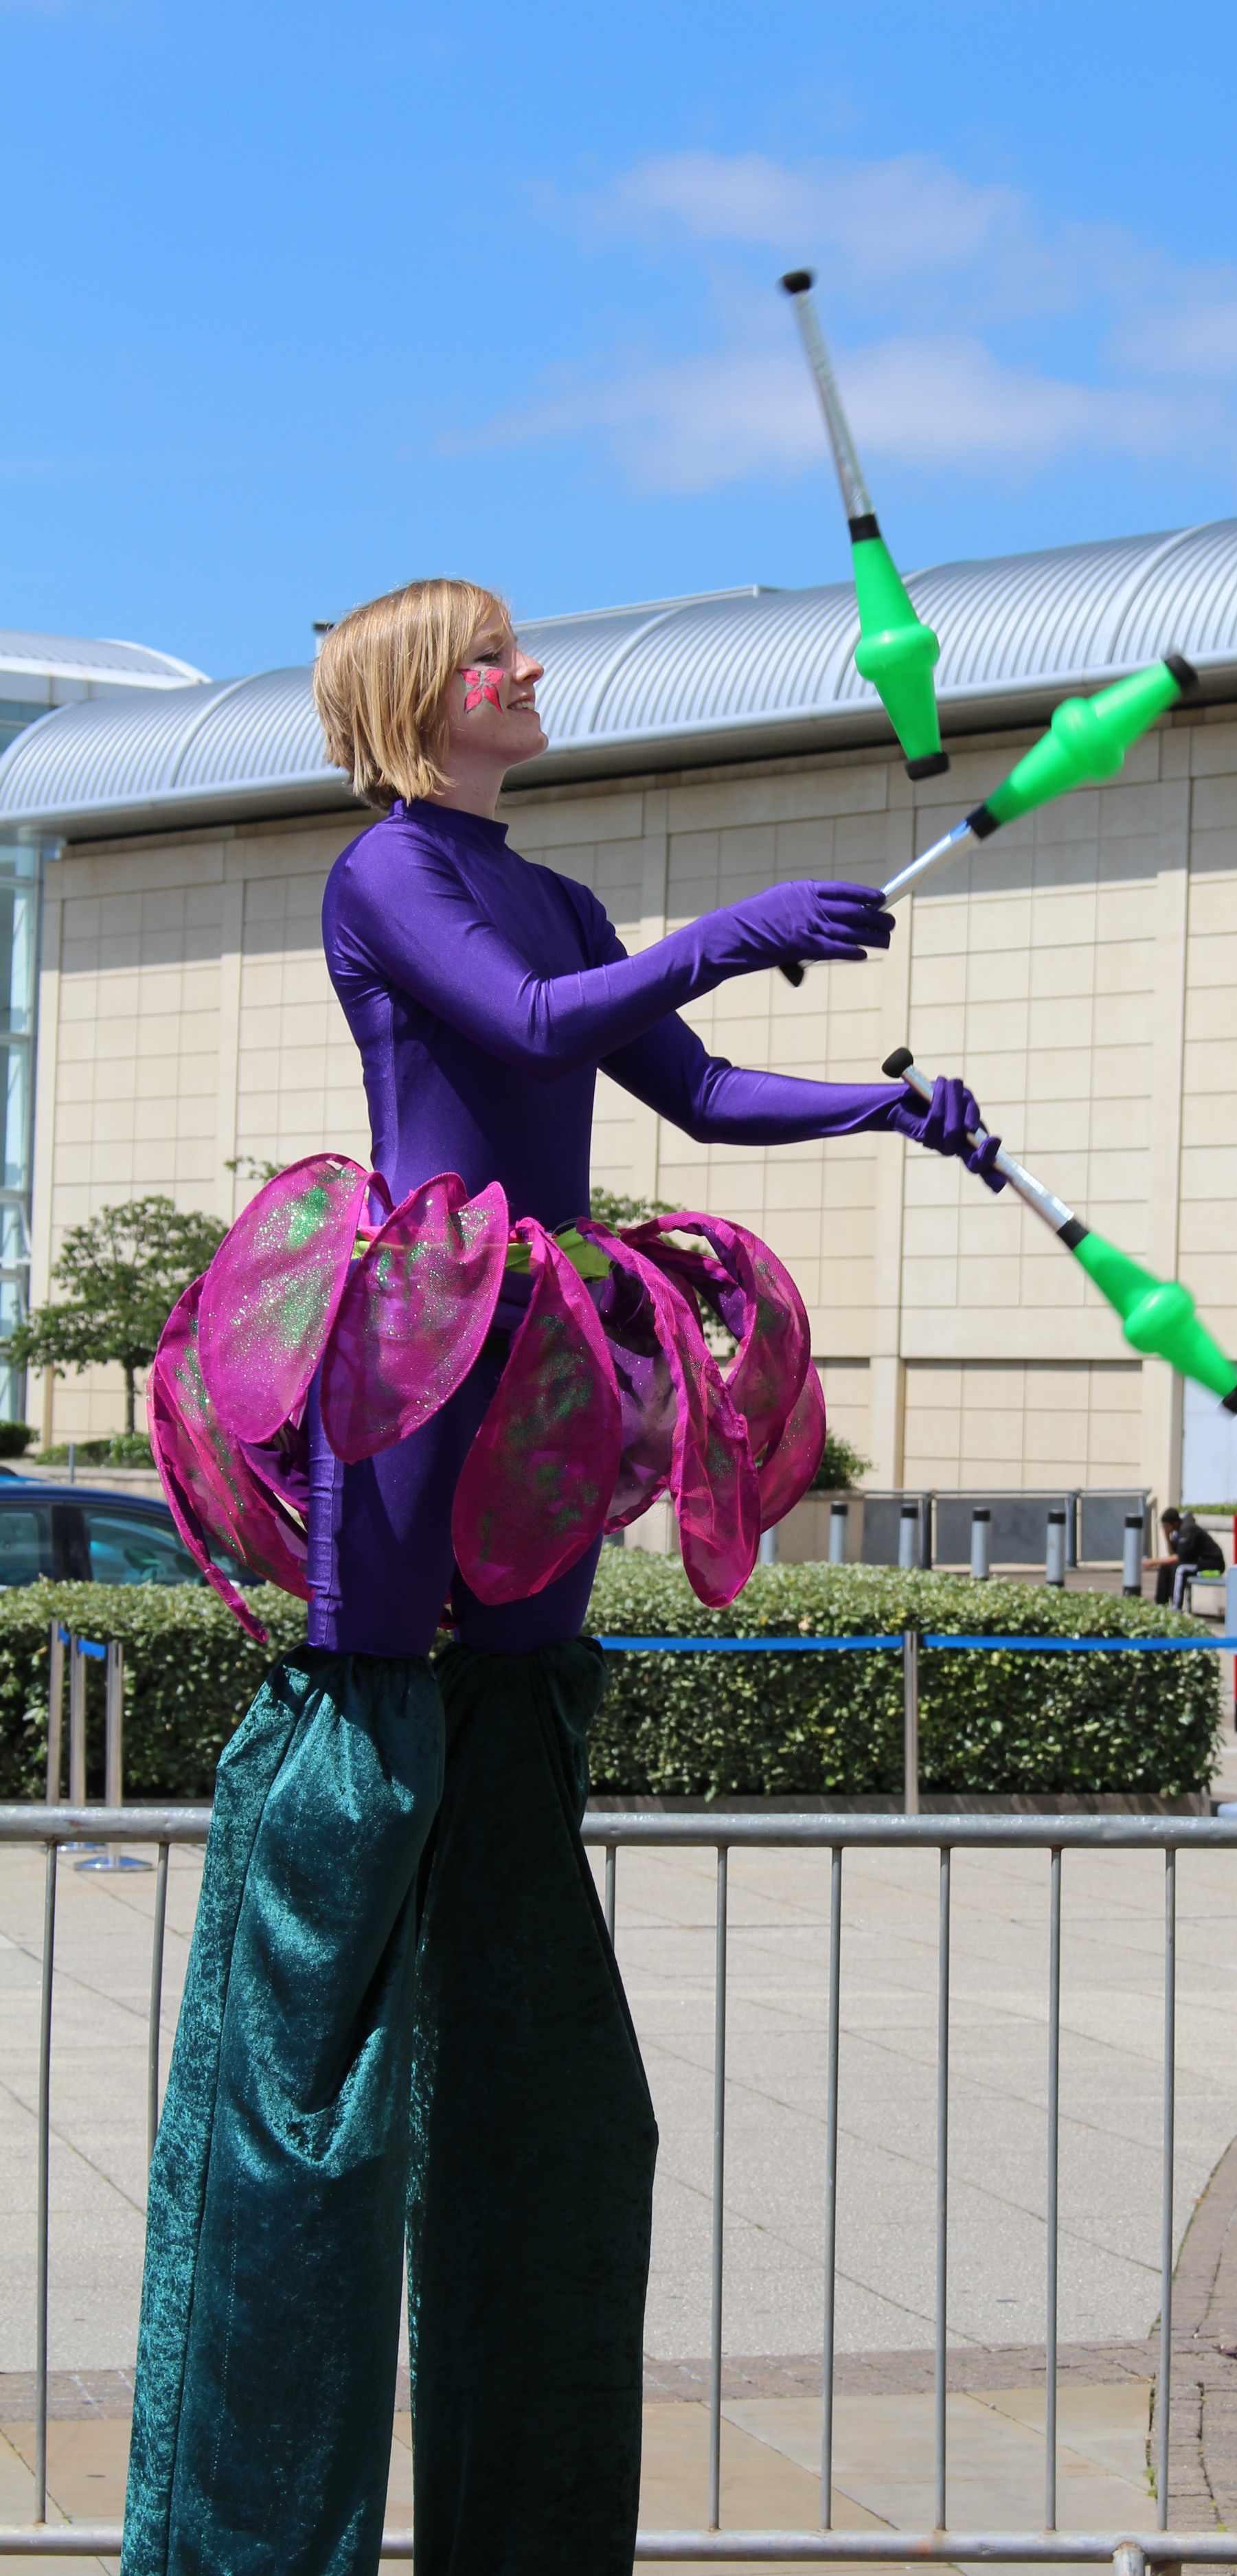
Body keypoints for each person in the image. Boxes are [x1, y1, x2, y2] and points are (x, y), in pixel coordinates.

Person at [124, 579, 1005, 2576]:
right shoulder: (386, 866)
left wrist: (883, 1098)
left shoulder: (553, 886)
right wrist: (739, 926)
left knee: (516, 1743)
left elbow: (679, 1091)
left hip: (525, 1336)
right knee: (367, 1725)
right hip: (414, 1326)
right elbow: (521, 1034)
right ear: (426, 695)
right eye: (502, 652)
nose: (535, 672)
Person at [1141, 1504, 1225, 1609]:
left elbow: (1179, 1558)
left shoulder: (1188, 1530)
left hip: (1213, 1562)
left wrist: (1154, 1562)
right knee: (1165, 1568)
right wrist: (1166, 1536)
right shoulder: (1177, 1531)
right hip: (1197, 1561)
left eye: (1166, 1526)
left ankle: (1176, 1608)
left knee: (1180, 1568)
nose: (1165, 1529)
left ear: (1175, 1523)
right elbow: (1173, 1554)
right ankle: (1161, 1605)